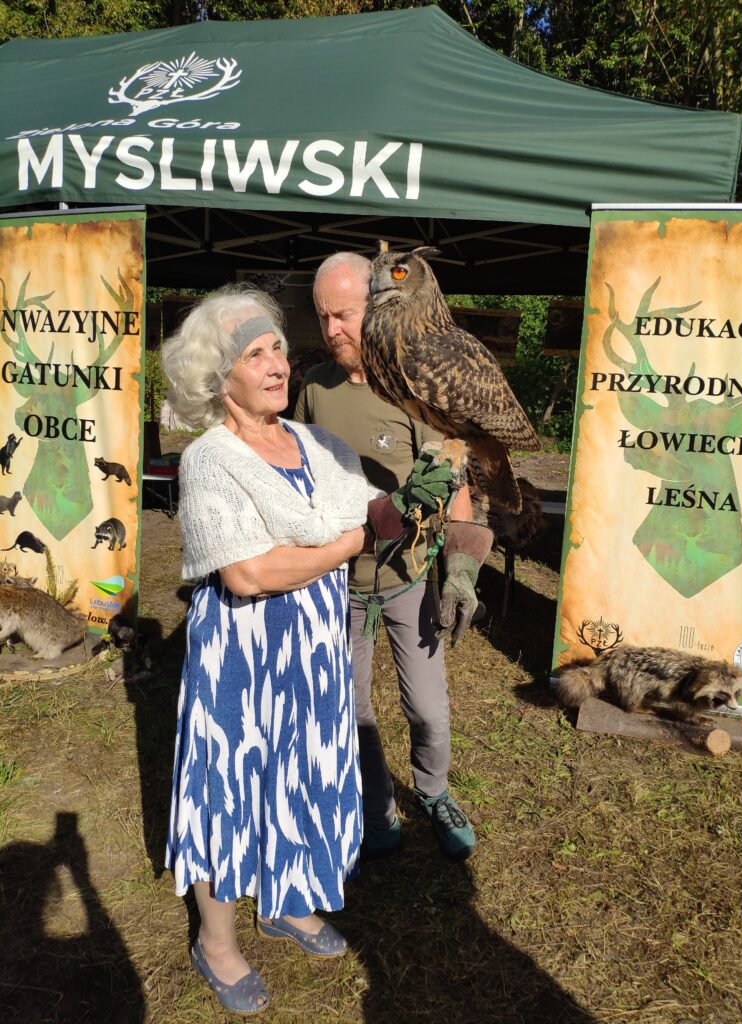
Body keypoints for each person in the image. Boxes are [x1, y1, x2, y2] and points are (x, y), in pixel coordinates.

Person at [162, 285, 373, 1015]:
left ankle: (286, 900)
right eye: (255, 355)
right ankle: (215, 941)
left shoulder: (319, 446)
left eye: (278, 347)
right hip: (240, 654)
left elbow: (367, 509)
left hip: (313, 645)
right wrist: (348, 542)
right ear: (218, 377)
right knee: (227, 784)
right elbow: (248, 573)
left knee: (301, 769)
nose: (278, 365)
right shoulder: (209, 460)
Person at [294, 252, 491, 863]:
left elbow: (454, 478)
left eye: (345, 315)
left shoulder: (412, 386)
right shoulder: (313, 388)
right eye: (323, 317)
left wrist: (460, 572)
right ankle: (376, 805)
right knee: (353, 710)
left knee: (427, 709)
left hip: (409, 578)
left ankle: (433, 792)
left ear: (377, 305)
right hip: (337, 583)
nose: (333, 330)